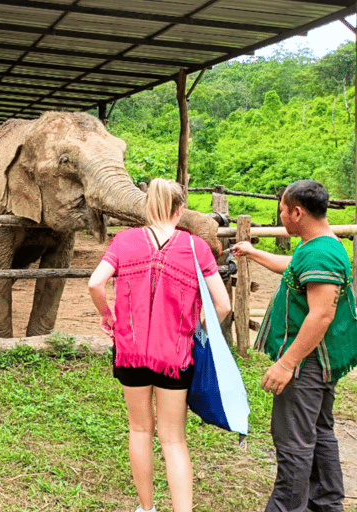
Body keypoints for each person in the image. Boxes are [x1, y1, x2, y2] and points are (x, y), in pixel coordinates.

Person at [88, 178, 231, 512]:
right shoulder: (196, 247)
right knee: (173, 439)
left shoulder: (124, 241)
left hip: (130, 351)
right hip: (176, 356)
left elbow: (96, 283)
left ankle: (147, 509)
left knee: (140, 430)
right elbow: (223, 305)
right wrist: (196, 330)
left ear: (148, 206)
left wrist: (108, 316)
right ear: (179, 210)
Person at [233, 180, 357, 512]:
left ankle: (287, 508)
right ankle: (327, 503)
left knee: (294, 442)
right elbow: (293, 269)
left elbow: (321, 314)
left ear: (297, 212)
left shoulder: (322, 253)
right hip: (318, 360)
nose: (281, 217)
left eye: (282, 212)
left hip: (307, 362)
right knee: (319, 430)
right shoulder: (317, 244)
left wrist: (286, 363)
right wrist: (253, 251)